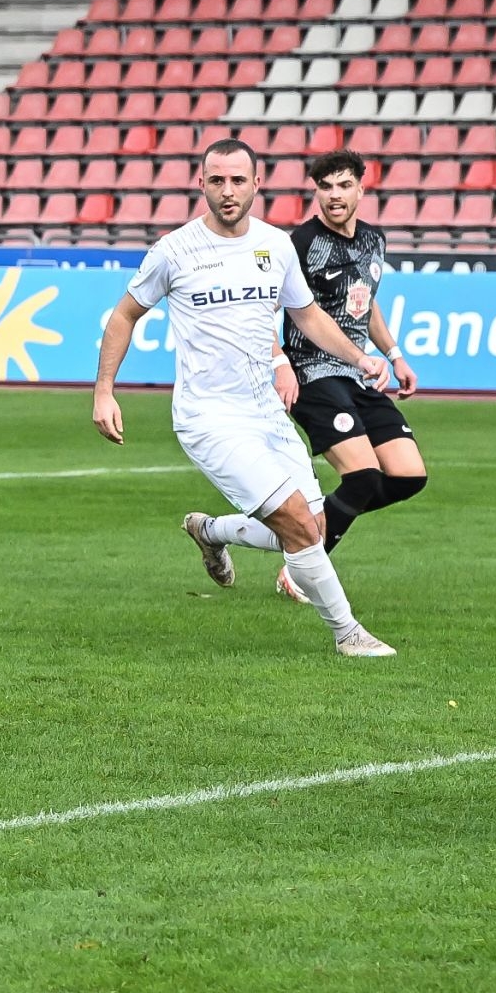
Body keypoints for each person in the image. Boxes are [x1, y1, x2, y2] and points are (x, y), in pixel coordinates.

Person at [90, 139, 398, 657]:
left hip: (266, 413)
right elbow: (124, 314)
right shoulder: (175, 250)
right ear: (202, 185)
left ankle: (211, 531)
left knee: (311, 532)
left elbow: (306, 314)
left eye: (238, 180)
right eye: (217, 180)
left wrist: (358, 357)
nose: (227, 191)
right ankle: (348, 632)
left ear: (257, 184)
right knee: (298, 520)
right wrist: (104, 393)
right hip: (209, 418)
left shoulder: (276, 246)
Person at [270, 148, 425, 604]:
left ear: (362, 187)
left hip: (361, 373)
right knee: (361, 476)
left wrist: (394, 354)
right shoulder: (300, 243)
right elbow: (267, 307)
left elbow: (366, 300)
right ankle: (302, 572)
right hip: (313, 373)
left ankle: (304, 532)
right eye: (325, 187)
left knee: (407, 476)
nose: (334, 196)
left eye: (343, 186)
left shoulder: (375, 240)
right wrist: (279, 363)